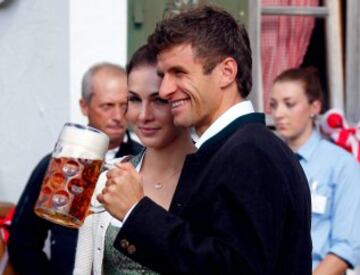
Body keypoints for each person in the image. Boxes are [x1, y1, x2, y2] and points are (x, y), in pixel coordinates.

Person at [97, 5, 312, 274]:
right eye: (164, 76)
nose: (165, 89)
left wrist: (135, 212)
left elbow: (234, 269)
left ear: (226, 72)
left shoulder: (249, 152)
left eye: (179, 73)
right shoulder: (234, 146)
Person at [8, 62, 143, 275]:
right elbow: (22, 241)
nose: (118, 116)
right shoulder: (59, 164)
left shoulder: (145, 161)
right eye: (107, 106)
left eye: (124, 104)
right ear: (84, 106)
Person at [73, 44, 196, 275]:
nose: (143, 116)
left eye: (159, 100)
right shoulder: (107, 179)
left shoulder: (212, 177)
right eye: (134, 100)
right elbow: (82, 269)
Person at [269, 67, 360, 274]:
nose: (279, 113)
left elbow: (346, 248)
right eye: (273, 105)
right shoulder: (268, 161)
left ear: (315, 107)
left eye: (289, 104)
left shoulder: (342, 165)